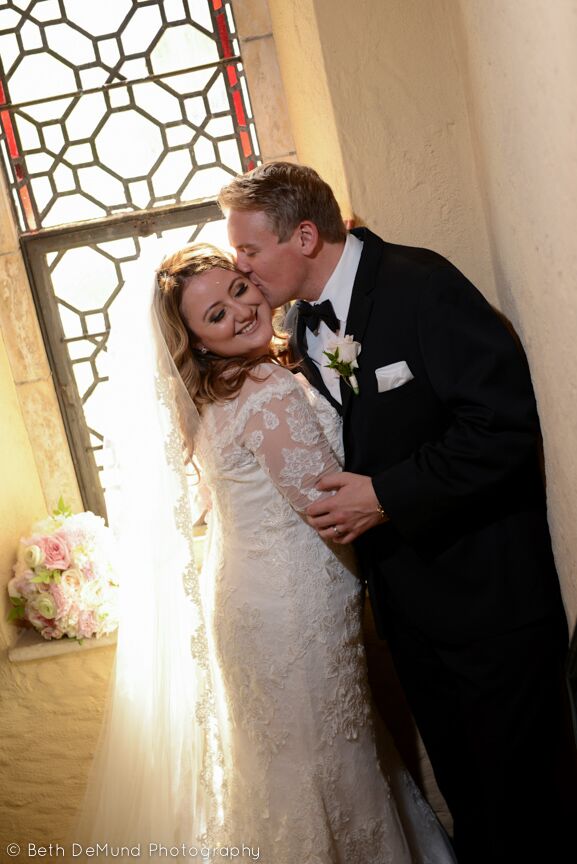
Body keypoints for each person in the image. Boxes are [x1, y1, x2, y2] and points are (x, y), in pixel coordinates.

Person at [218, 162, 577, 864]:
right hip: (411, 616)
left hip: (489, 605)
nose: (242, 267)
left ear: (304, 235)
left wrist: (386, 495)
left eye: (249, 250)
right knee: (474, 807)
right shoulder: (296, 323)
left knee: (531, 814)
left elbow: (500, 428)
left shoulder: (422, 286)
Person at [73, 243, 456, 864]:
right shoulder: (267, 388)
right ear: (196, 342)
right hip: (292, 609)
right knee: (321, 764)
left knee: (292, 766)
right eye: (216, 316)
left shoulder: (210, 397)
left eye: (239, 291)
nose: (241, 313)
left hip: (249, 597)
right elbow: (328, 509)